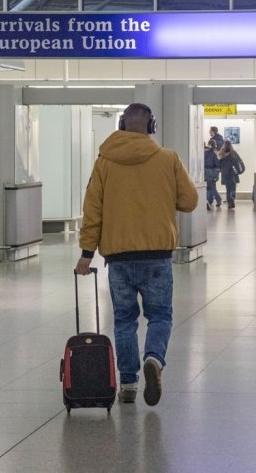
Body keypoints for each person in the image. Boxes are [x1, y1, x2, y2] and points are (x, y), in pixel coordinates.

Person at [75, 103, 198, 406]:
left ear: (121, 124)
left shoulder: (104, 162)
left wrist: (86, 253)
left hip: (118, 258)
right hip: (157, 255)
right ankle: (154, 359)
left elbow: (93, 209)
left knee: (124, 320)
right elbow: (190, 200)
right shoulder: (168, 159)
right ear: (151, 126)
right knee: (160, 315)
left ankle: (128, 384)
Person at [218, 140, 244, 210]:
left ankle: (230, 202)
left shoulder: (221, 153)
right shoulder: (233, 153)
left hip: (225, 174)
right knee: (233, 188)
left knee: (228, 189)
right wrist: (241, 170)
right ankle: (231, 201)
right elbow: (240, 161)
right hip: (233, 173)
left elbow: (219, 164)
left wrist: (221, 170)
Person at [204, 140, 222, 211]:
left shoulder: (204, 153)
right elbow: (217, 165)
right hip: (212, 173)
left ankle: (213, 200)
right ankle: (214, 200)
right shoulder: (213, 154)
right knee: (212, 188)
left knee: (209, 188)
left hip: (206, 172)